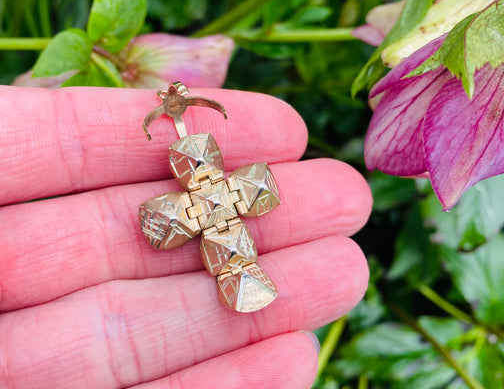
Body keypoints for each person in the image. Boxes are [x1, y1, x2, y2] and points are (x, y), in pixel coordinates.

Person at [0, 85, 372, 388]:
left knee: (240, 265)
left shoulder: (242, 183)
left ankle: (246, 283)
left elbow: (260, 184)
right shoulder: (192, 194)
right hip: (211, 230)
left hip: (227, 232)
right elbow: (161, 218)